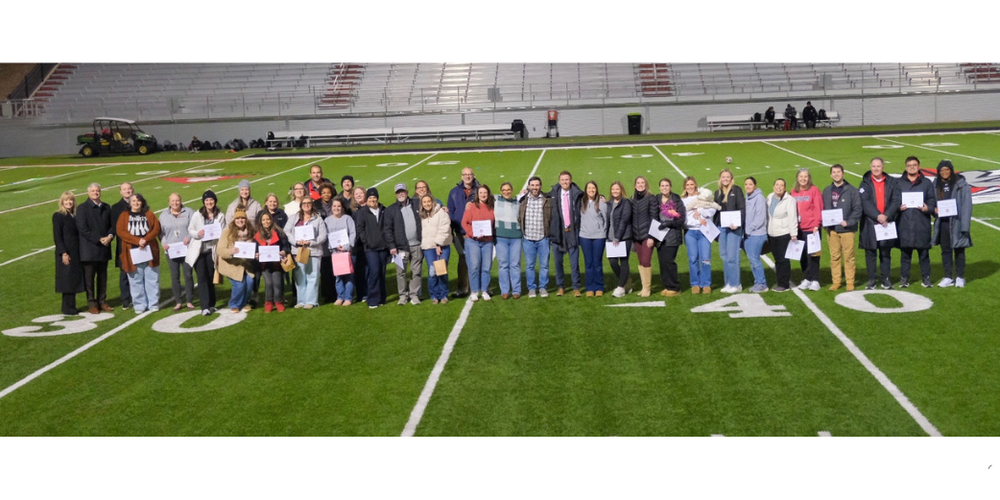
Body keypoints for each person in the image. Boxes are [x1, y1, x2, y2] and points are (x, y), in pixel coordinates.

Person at [858, 157, 902, 290]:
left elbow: (896, 200)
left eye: (878, 166)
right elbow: (865, 202)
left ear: (883, 167)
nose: (876, 169)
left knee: (885, 253)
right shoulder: (864, 183)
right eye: (873, 166)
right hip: (870, 223)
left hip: (886, 223)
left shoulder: (891, 182)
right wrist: (878, 216)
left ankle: (885, 279)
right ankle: (872, 280)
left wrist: (886, 215)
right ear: (870, 167)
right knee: (870, 253)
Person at [116, 193, 161, 314]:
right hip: (132, 252)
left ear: (142, 202)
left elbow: (156, 229)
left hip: (149, 251)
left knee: (152, 278)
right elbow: (121, 232)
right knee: (135, 279)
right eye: (134, 201)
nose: (136, 203)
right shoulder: (124, 215)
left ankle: (153, 303)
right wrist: (137, 241)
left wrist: (145, 240)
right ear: (130, 203)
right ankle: (139, 305)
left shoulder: (149, 214)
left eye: (138, 201)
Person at [896, 156, 937, 288]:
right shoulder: (899, 183)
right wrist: (898, 207)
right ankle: (904, 278)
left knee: (924, 254)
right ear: (905, 167)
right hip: (904, 223)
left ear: (919, 166)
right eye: (909, 165)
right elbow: (893, 200)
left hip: (921, 223)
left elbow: (932, 199)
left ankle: (926, 278)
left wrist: (928, 208)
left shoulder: (926, 183)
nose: (912, 167)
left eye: (914, 165)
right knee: (905, 254)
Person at [822, 164, 863, 291]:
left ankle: (850, 282)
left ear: (843, 173)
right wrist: (825, 225)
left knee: (849, 257)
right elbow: (823, 208)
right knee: (834, 257)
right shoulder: (827, 190)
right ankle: (836, 281)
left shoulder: (852, 190)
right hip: (832, 229)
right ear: (831, 175)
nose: (836, 174)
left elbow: (858, 209)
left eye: (838, 172)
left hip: (847, 230)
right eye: (834, 172)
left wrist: (849, 222)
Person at [76, 183, 116, 314]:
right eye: (93, 191)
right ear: (88, 193)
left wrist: (110, 236)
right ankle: (92, 303)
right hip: (89, 250)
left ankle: (102, 301)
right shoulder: (82, 208)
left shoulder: (106, 207)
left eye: (97, 190)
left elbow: (112, 225)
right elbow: (82, 229)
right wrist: (98, 239)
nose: (95, 193)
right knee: (89, 279)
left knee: (103, 277)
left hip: (104, 249)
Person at [933, 160, 972, 288]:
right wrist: (934, 210)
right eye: (942, 170)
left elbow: (967, 206)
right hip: (943, 222)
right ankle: (948, 276)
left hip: (957, 222)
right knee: (945, 250)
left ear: (951, 170)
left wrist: (965, 226)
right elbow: (932, 201)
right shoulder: (935, 184)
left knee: (959, 250)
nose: (944, 172)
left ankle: (960, 277)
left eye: (947, 169)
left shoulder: (961, 184)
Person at [186, 189, 226, 316]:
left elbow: (224, 231)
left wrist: (219, 235)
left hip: (212, 250)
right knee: (202, 277)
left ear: (215, 201)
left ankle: (212, 304)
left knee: (210, 276)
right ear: (204, 202)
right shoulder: (197, 215)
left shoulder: (220, 216)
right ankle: (205, 306)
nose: (209, 202)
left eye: (211, 200)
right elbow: (190, 229)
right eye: (207, 200)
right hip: (199, 251)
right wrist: (197, 234)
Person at [284, 197, 327, 309]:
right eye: (304, 203)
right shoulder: (294, 217)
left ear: (312, 205)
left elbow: (323, 235)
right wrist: (295, 242)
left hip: (313, 251)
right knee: (300, 276)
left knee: (313, 276)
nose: (306, 205)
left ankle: (311, 301)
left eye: (309, 203)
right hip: (298, 250)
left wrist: (311, 242)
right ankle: (301, 301)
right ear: (301, 205)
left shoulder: (318, 218)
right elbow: (286, 231)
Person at [385, 183, 423, 305]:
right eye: (398, 192)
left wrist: (442, 207)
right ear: (396, 194)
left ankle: (414, 294)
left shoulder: (417, 203)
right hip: (400, 248)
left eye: (402, 191)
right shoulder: (391, 210)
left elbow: (431, 205)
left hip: (417, 245)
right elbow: (388, 229)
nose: (400, 194)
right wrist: (392, 245)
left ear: (407, 192)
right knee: (400, 273)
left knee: (416, 271)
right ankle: (403, 295)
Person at [518, 176, 556, 298]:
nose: (535, 187)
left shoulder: (547, 200)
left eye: (537, 185)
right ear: (529, 186)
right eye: (532, 185)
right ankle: (531, 288)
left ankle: (543, 287)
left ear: (540, 186)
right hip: (528, 238)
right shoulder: (523, 199)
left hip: (543, 238)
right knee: (530, 265)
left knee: (544, 265)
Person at [681, 177, 718, 294]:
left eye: (692, 184)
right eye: (687, 185)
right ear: (685, 187)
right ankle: (695, 283)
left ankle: (706, 284)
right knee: (693, 259)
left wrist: (702, 212)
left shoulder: (703, 196)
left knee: (705, 258)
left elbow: (712, 209)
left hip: (704, 231)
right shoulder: (682, 200)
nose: (690, 187)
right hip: (690, 232)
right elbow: (681, 216)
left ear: (695, 185)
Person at [550, 171, 584, 297]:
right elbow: (541, 196)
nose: (565, 182)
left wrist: (601, 197)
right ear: (559, 181)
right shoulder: (554, 193)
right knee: (558, 262)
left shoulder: (577, 193)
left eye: (567, 179)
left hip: (572, 231)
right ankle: (560, 286)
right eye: (563, 180)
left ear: (571, 180)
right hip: (558, 232)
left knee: (574, 262)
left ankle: (576, 287)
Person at [160, 193, 195, 311]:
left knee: (188, 275)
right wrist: (164, 243)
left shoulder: (189, 212)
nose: (175, 203)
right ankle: (178, 301)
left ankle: (189, 300)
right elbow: (161, 233)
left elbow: (195, 227)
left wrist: (189, 237)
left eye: (177, 200)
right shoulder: (163, 215)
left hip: (187, 249)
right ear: (169, 202)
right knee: (175, 276)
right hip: (171, 251)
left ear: (181, 201)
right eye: (172, 201)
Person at [355, 188, 390, 309]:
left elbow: (387, 226)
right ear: (367, 199)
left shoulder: (383, 210)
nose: (372, 200)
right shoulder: (363, 212)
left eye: (374, 197)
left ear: (377, 198)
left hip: (383, 247)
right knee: (374, 271)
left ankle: (381, 298)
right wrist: (367, 241)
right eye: (370, 198)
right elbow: (360, 228)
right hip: (370, 248)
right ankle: (373, 299)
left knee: (382, 272)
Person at [447, 168, 479, 298]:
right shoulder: (454, 192)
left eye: (470, 174)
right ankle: (462, 287)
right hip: (460, 232)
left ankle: (478, 287)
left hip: (476, 232)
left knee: (477, 260)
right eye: (465, 175)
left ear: (473, 176)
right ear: (461, 176)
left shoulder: (480, 190)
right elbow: (451, 211)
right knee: (463, 260)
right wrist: (454, 228)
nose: (467, 177)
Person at [216, 209, 256, 313]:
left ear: (246, 220)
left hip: (245, 264)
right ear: (234, 220)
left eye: (242, 218)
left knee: (250, 282)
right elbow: (220, 250)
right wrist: (230, 251)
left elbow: (254, 247)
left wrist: (255, 254)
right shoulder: (227, 232)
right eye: (237, 218)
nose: (240, 220)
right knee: (239, 284)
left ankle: (244, 303)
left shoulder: (251, 232)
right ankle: (234, 304)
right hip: (231, 265)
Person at [791, 168, 824, 291]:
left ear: (809, 178)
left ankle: (815, 280)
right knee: (802, 255)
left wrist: (817, 224)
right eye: (801, 176)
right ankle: (807, 278)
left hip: (812, 228)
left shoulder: (814, 190)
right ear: (797, 178)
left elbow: (818, 207)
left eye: (805, 176)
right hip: (799, 229)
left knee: (813, 255)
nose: (803, 179)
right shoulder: (793, 191)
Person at [462, 184, 496, 302]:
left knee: (486, 266)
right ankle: (474, 291)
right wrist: (473, 233)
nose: (483, 195)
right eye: (481, 193)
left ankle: (485, 290)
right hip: (473, 241)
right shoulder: (471, 207)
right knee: (474, 266)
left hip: (487, 241)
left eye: (485, 192)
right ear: (477, 194)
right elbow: (464, 223)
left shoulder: (492, 206)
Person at [53, 191, 85, 315]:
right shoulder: (58, 216)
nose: (68, 202)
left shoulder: (75, 215)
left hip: (76, 251)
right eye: (66, 200)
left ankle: (72, 305)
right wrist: (64, 253)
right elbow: (57, 236)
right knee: (67, 279)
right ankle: (67, 307)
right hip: (66, 252)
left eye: (70, 200)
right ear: (62, 202)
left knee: (73, 278)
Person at [652, 178, 686, 297]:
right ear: (659, 187)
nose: (664, 188)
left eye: (667, 185)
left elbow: (681, 219)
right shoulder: (657, 198)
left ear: (670, 187)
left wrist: (669, 224)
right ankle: (667, 285)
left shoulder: (676, 199)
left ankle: (674, 287)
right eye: (662, 185)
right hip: (660, 235)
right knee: (662, 262)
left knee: (669, 261)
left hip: (672, 235)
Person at [714, 168, 745, 293]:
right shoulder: (717, 192)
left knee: (732, 256)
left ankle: (736, 284)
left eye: (727, 177)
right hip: (722, 228)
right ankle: (728, 283)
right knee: (724, 256)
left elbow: (742, 208)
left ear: (732, 179)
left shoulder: (736, 190)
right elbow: (715, 210)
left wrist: (738, 223)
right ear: (720, 179)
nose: (725, 179)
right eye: (723, 177)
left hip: (734, 228)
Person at [254, 211, 291, 312]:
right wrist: (256, 254)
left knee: (277, 283)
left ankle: (278, 301)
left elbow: (286, 246)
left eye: (268, 219)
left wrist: (283, 251)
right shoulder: (257, 235)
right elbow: (255, 249)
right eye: (263, 220)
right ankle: (268, 302)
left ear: (271, 220)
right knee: (269, 283)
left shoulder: (279, 232)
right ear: (260, 222)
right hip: (264, 265)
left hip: (277, 264)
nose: (266, 222)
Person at [420, 194, 453, 305]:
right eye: (424, 202)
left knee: (442, 270)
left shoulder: (441, 213)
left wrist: (438, 244)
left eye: (429, 201)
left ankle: (443, 294)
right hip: (428, 247)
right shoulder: (422, 215)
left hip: (442, 246)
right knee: (432, 272)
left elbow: (444, 228)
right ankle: (434, 295)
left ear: (433, 202)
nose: (427, 204)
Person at [767, 179, 798, 292]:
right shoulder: (770, 197)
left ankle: (784, 284)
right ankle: (780, 281)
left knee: (783, 259)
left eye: (781, 185)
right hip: (772, 233)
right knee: (777, 259)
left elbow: (792, 217)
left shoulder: (789, 200)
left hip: (783, 233)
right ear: (773, 186)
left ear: (785, 188)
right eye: (777, 185)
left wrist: (793, 234)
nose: (779, 187)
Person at [577, 181, 606, 297]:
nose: (591, 190)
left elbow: (606, 219)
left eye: (593, 188)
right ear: (585, 190)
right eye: (589, 188)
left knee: (597, 263)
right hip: (585, 237)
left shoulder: (601, 202)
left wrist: (602, 231)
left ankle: (599, 287)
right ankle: (590, 287)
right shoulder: (581, 202)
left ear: (596, 189)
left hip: (599, 237)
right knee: (588, 263)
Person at [324, 198, 356, 307]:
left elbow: (352, 233)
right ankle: (340, 296)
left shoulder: (347, 219)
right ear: (331, 207)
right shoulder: (327, 220)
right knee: (338, 276)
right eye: (334, 206)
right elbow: (326, 236)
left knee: (348, 276)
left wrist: (347, 247)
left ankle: (348, 297)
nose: (336, 208)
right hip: (335, 252)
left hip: (346, 252)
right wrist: (333, 246)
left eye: (339, 206)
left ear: (342, 208)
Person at [494, 182, 523, 299]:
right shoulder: (495, 200)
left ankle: (516, 290)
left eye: (508, 189)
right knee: (503, 264)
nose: (506, 192)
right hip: (501, 237)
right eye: (504, 190)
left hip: (516, 237)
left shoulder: (518, 201)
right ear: (501, 191)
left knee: (515, 264)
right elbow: (481, 196)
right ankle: (505, 290)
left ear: (512, 190)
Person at [605, 181, 633, 298]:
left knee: (624, 261)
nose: (615, 191)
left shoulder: (626, 202)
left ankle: (621, 288)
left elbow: (624, 221)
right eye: (613, 189)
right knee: (612, 262)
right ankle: (626, 280)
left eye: (617, 189)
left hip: (624, 237)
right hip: (611, 237)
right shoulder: (609, 203)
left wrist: (618, 237)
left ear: (621, 190)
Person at [631, 176, 657, 297]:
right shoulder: (632, 198)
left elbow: (654, 217)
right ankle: (643, 287)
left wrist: (651, 236)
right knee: (641, 261)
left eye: (643, 183)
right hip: (636, 236)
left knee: (646, 261)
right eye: (638, 183)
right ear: (635, 185)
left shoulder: (651, 198)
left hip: (647, 235)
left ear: (646, 185)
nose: (640, 185)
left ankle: (647, 288)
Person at [110, 182, 134, 309]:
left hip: (139, 245)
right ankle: (126, 300)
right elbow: (116, 229)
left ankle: (138, 298)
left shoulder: (139, 203)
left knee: (139, 272)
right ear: (121, 192)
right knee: (125, 273)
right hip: (124, 245)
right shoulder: (116, 207)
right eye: (125, 189)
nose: (127, 191)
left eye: (129, 189)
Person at [743, 177, 769, 293]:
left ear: (755, 185)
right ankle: (758, 282)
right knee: (752, 259)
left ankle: (762, 283)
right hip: (749, 234)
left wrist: (749, 229)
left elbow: (760, 217)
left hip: (757, 233)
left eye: (750, 184)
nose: (748, 186)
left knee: (754, 259)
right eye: (746, 184)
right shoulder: (747, 198)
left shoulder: (759, 198)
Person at [316, 182, 339, 303]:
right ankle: (327, 294)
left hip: (335, 239)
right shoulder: (316, 205)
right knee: (325, 268)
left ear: (332, 193)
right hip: (323, 241)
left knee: (336, 267)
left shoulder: (336, 204)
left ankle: (337, 292)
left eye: (328, 192)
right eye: (323, 192)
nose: (326, 195)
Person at [350, 186, 369, 303]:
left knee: (370, 269)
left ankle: (370, 292)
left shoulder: (371, 207)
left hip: (369, 243)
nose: (358, 195)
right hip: (358, 245)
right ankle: (362, 293)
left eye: (360, 193)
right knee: (360, 270)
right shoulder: (353, 211)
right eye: (356, 194)